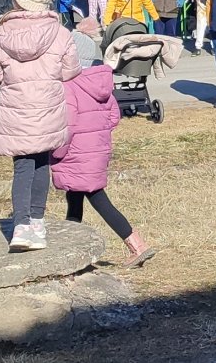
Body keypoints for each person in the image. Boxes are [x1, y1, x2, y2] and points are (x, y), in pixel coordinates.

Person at [0, 0, 80, 252]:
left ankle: (21, 225)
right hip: (47, 107)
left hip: (16, 109)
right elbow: (71, 70)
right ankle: (37, 220)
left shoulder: (0, 33)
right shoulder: (60, 33)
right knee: (42, 162)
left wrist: (13, 80)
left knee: (22, 166)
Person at [53, 29, 156, 268]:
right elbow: (113, 116)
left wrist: (56, 154)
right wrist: (98, 134)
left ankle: (136, 243)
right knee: (75, 197)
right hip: (97, 151)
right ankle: (73, 247)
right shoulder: (102, 82)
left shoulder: (69, 86)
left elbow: (66, 125)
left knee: (98, 199)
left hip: (75, 153)